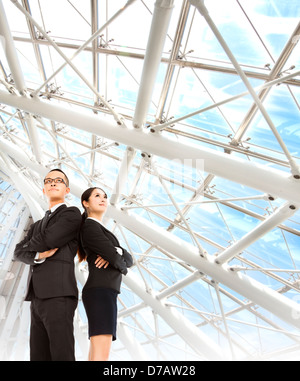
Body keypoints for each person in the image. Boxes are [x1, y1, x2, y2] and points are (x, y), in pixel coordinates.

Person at [13, 168, 82, 361]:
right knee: (38, 355)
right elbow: (18, 252)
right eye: (48, 180)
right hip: (37, 298)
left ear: (66, 190)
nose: (53, 183)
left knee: (61, 354)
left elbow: (50, 238)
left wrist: (30, 246)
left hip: (59, 294)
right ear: (43, 189)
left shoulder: (72, 214)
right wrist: (37, 254)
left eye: (58, 180)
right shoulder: (36, 225)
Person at [77, 187, 133, 361]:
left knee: (97, 353)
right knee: (102, 353)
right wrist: (117, 260)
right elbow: (120, 262)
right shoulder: (90, 227)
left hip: (103, 291)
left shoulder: (100, 229)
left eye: (105, 196)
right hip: (101, 291)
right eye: (97, 196)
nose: (103, 199)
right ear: (85, 203)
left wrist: (116, 252)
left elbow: (129, 260)